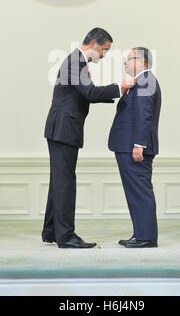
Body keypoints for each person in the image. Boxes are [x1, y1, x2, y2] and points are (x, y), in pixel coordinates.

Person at [42, 28, 135, 249]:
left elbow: (85, 94)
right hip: (63, 130)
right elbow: (91, 93)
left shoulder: (77, 64)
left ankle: (51, 231)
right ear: (93, 44)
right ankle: (66, 236)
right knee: (65, 183)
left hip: (61, 129)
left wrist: (101, 88)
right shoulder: (75, 62)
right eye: (104, 50)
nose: (104, 55)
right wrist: (119, 87)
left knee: (58, 182)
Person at [108, 47, 161, 248]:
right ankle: (141, 234)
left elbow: (144, 114)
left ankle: (146, 237)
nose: (125, 63)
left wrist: (139, 144)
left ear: (141, 61)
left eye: (128, 59)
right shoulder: (140, 82)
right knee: (135, 193)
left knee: (140, 192)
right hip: (127, 147)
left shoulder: (146, 80)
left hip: (134, 148)